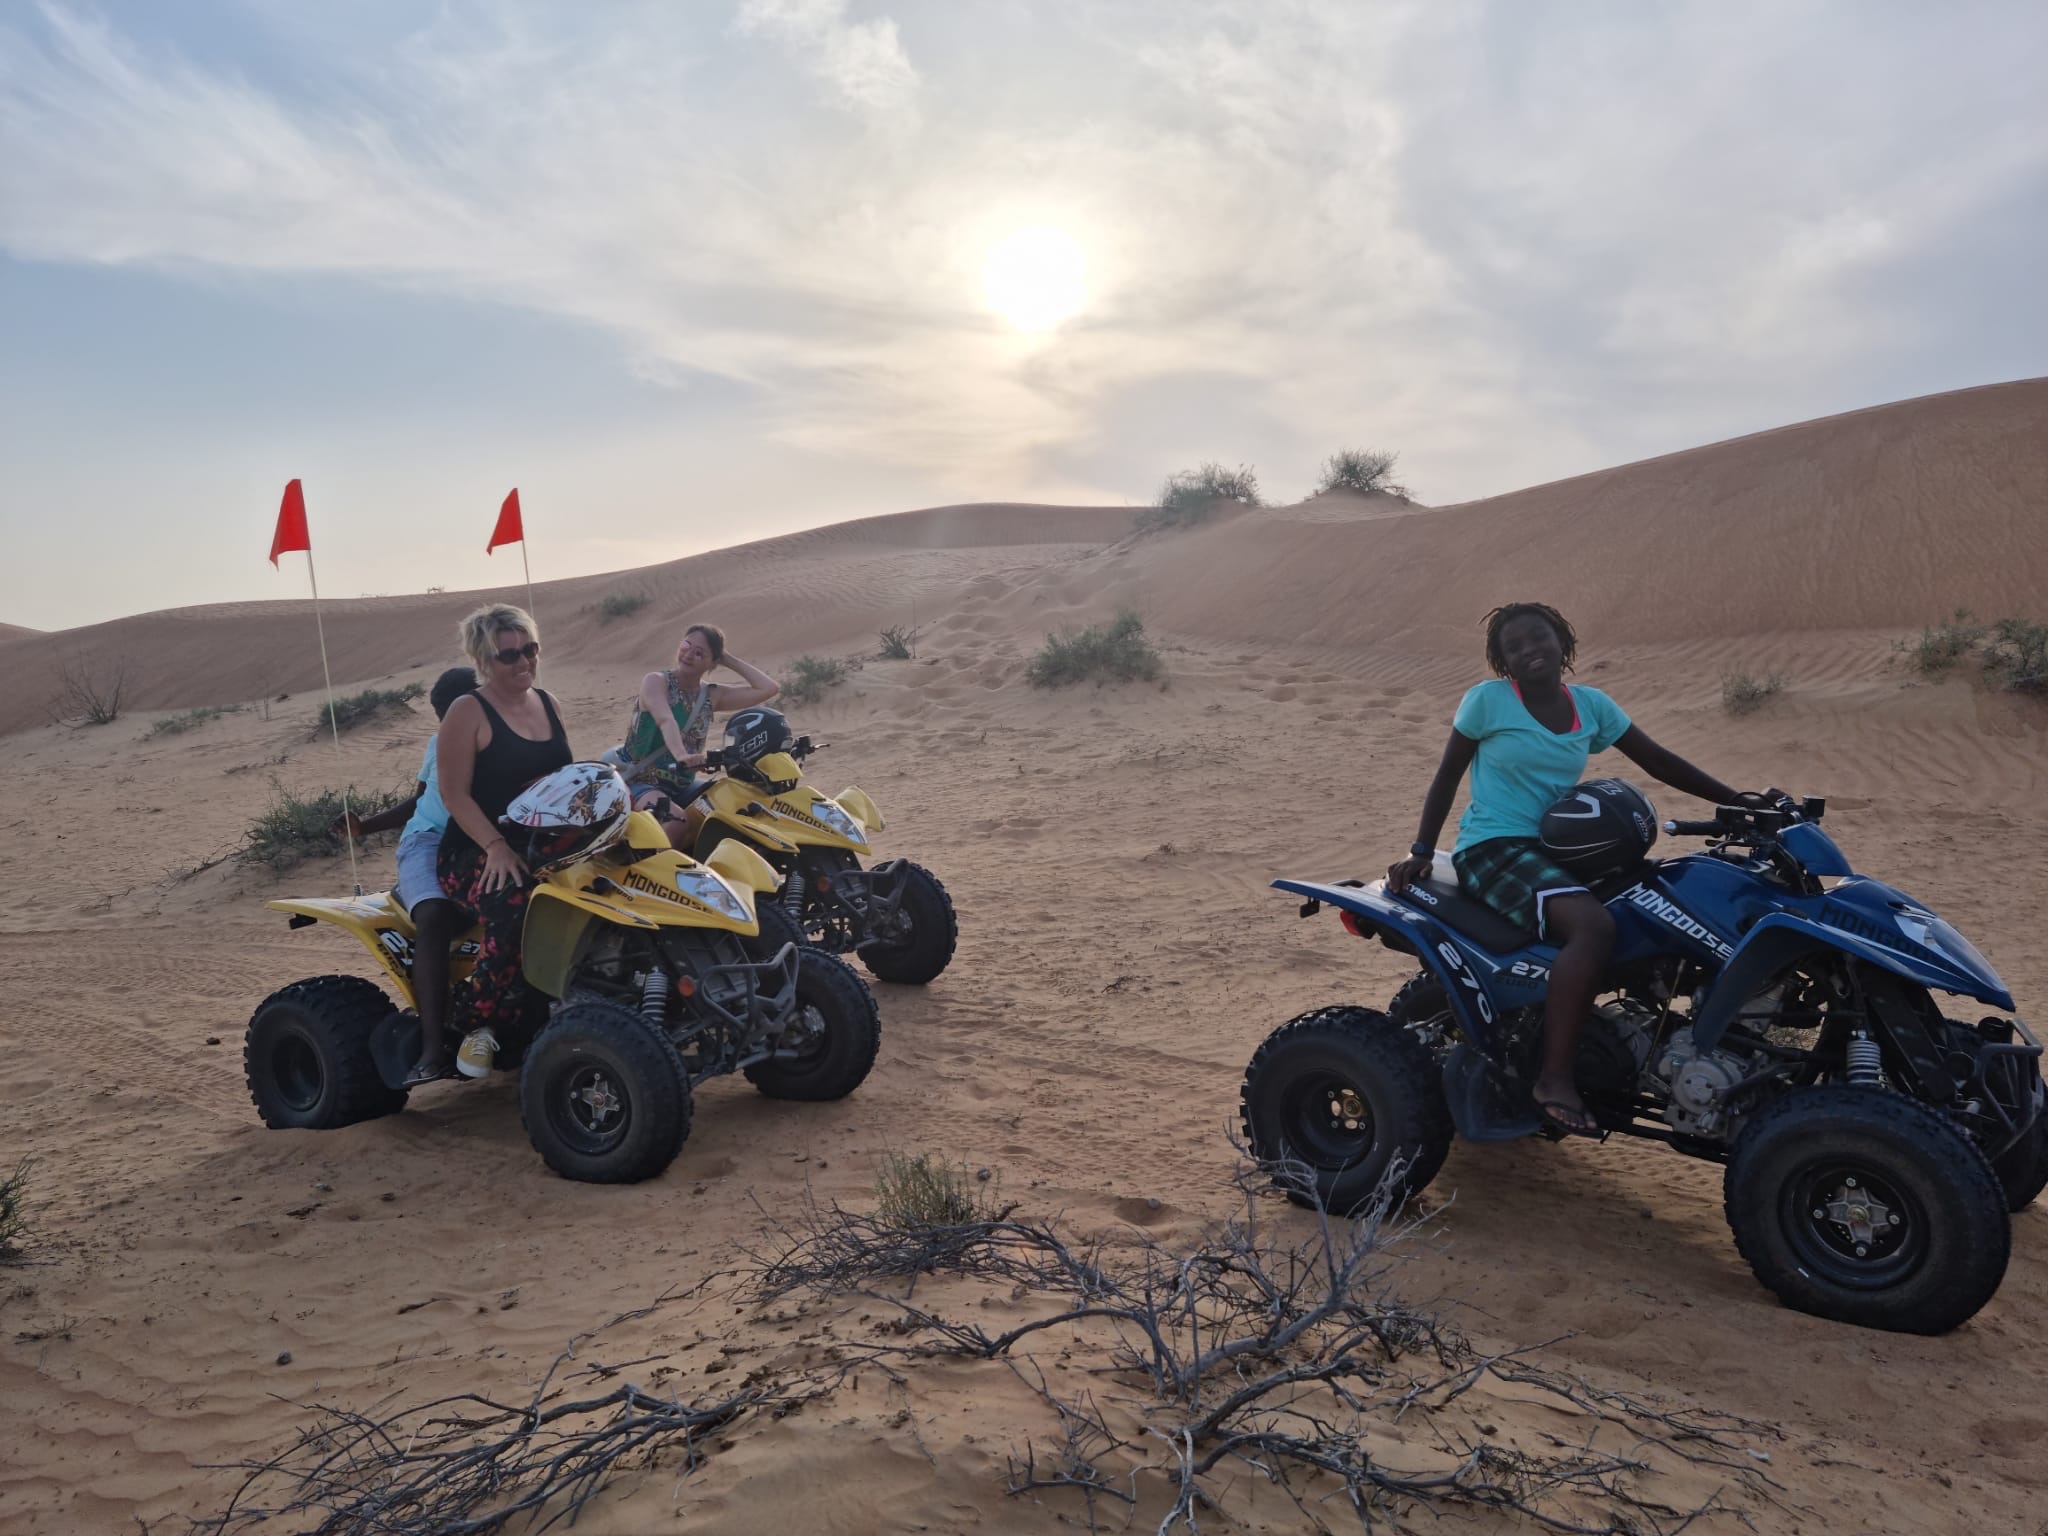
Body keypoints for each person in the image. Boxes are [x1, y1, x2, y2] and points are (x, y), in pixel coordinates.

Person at [1386, 602, 1771, 1138]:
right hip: (1494, 847)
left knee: (1657, 900)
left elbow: (1657, 759)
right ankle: (1554, 1079)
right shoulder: (1489, 701)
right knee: (1593, 928)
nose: (1529, 650)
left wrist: (1738, 803)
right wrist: (1422, 849)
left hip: (1561, 849)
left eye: (1538, 637)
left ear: (1561, 642)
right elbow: (1448, 774)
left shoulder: (1590, 705)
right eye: (1514, 646)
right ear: (1502, 661)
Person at [435, 604, 573, 1072]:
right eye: (508, 655)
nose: (524, 662)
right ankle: (478, 1024)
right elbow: (454, 794)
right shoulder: (467, 712)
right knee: (516, 901)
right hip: (475, 847)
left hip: (544, 841)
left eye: (530, 650)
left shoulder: (548, 702)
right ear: (483, 661)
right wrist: (495, 846)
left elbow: (564, 779)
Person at [329, 665, 477, 1083]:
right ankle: (432, 1049)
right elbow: (421, 802)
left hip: (485, 840)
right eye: (442, 714)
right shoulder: (439, 743)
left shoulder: (507, 736)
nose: (447, 722)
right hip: (428, 841)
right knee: (434, 915)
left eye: (453, 710)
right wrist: (365, 827)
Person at [610, 622, 779, 849]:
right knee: (676, 822)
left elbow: (768, 689)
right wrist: (682, 755)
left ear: (712, 662)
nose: (688, 655)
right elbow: (665, 719)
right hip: (638, 782)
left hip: (681, 785)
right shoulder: (656, 682)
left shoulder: (710, 696)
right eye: (686, 646)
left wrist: (727, 659)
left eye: (699, 653)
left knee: (732, 804)